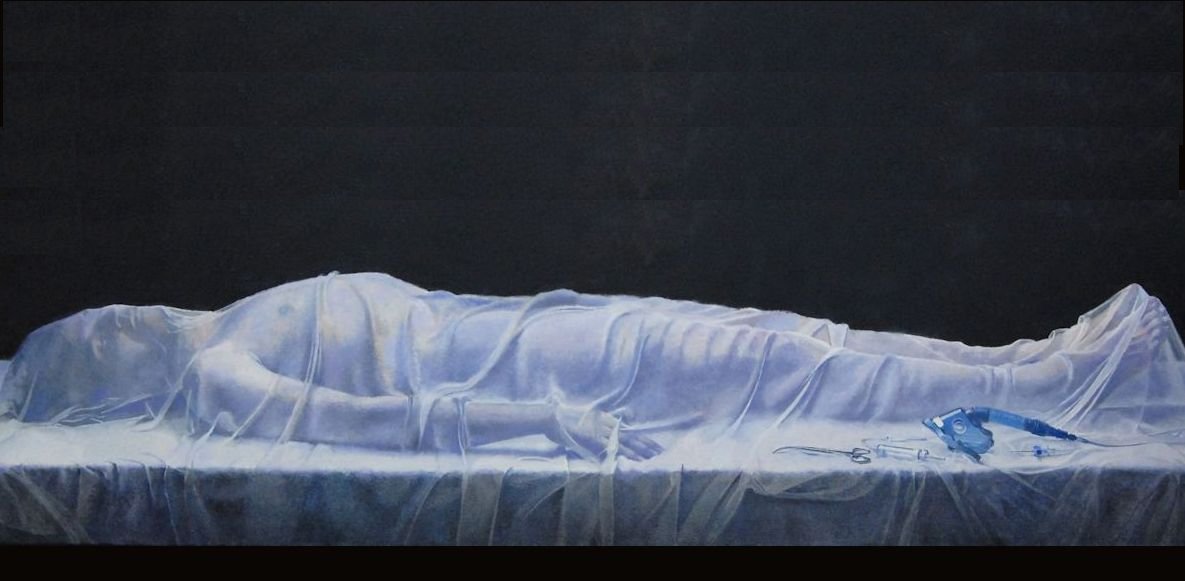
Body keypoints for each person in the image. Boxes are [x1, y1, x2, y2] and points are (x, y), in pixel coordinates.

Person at [0, 272, 1177, 461]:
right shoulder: (221, 373)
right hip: (538, 369)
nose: (115, 316)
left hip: (535, 322)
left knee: (787, 338)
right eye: (94, 339)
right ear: (107, 376)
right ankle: (1046, 388)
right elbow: (393, 426)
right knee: (783, 367)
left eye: (100, 315)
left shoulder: (233, 318)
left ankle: (1031, 363)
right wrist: (541, 421)